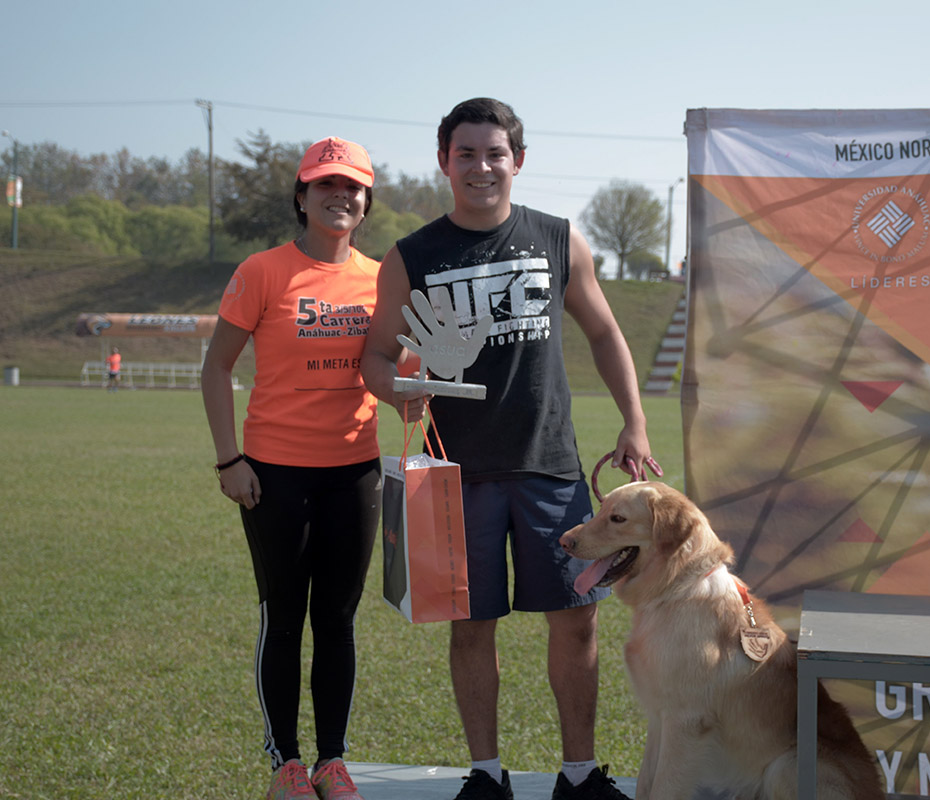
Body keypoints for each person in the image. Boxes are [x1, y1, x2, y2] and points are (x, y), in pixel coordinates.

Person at [362, 98, 655, 800]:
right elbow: (374, 358)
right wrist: (397, 389)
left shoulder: (557, 238)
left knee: (576, 620)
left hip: (548, 463)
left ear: (517, 162)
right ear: (445, 162)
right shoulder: (413, 256)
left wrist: (635, 422)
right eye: (466, 154)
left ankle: (579, 776)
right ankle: (486, 776)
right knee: (471, 629)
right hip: (456, 474)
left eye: (495, 154)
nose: (481, 167)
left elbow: (607, 334)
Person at [202, 136, 419, 800]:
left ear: (367, 201)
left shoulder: (381, 277)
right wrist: (228, 460)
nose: (340, 196)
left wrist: (420, 379)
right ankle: (286, 765)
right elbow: (216, 368)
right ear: (301, 196)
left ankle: (331, 762)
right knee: (284, 615)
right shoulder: (263, 271)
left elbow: (396, 364)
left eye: (353, 187)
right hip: (273, 473)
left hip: (353, 473)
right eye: (326, 185)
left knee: (338, 617)